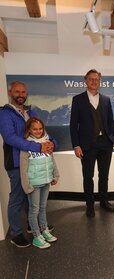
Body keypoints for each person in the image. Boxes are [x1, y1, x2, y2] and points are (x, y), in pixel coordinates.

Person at [0, 81, 54, 248]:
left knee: (30, 197)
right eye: (17, 91)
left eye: (23, 92)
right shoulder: (5, 114)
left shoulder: (28, 112)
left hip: (33, 163)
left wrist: (52, 143)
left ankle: (34, 226)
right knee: (17, 198)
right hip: (16, 163)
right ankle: (16, 233)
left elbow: (41, 132)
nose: (20, 94)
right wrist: (38, 146)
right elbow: (10, 138)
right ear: (10, 93)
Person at [70, 69, 114, 218]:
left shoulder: (106, 100)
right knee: (88, 177)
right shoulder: (78, 100)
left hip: (105, 144)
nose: (94, 81)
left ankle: (104, 201)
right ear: (85, 81)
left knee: (104, 175)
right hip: (87, 146)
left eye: (97, 79)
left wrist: (111, 139)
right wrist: (76, 145)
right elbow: (73, 125)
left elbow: (110, 122)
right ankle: (90, 205)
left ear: (99, 81)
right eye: (91, 79)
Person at [20, 117, 59, 249]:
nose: (38, 131)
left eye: (40, 128)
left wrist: (55, 175)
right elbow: (23, 167)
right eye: (35, 129)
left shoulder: (47, 142)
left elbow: (51, 160)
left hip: (46, 181)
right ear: (29, 130)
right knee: (34, 210)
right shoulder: (26, 145)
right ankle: (36, 236)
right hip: (34, 183)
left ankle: (44, 230)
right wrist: (27, 186)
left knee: (43, 208)